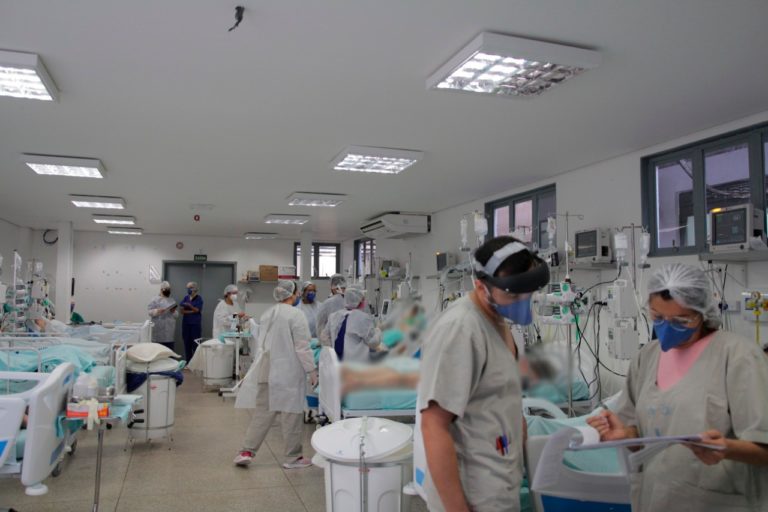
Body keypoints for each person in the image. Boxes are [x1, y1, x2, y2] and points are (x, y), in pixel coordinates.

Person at [586, 263, 768, 511]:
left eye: (682, 320)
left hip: (717, 501)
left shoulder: (739, 356)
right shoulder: (647, 357)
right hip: (656, 499)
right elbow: (641, 434)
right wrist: (625, 435)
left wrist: (727, 449)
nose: (667, 327)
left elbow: (763, 448)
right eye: (658, 318)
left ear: (702, 313)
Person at [418, 236, 549, 512]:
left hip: (499, 487)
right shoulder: (461, 329)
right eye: (512, 294)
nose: (522, 301)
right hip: (472, 495)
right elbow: (433, 425)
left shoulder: (501, 322)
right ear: (481, 286)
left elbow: (505, 404)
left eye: (526, 292)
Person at [233, 280, 317, 469]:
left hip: (267, 369)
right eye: (296, 293)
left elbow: (261, 337)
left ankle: (246, 451)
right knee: (291, 414)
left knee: (263, 413)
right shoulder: (296, 315)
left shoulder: (268, 313)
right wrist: (312, 370)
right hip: (287, 371)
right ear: (293, 294)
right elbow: (302, 347)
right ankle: (293, 458)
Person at [323, 286, 382, 363]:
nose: (364, 301)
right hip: (355, 365)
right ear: (359, 300)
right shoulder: (363, 318)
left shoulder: (334, 316)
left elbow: (324, 337)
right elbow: (373, 342)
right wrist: (378, 330)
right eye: (363, 299)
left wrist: (334, 348)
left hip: (337, 363)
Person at [148, 281, 179, 351]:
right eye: (166, 289)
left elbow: (176, 315)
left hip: (169, 331)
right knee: (157, 351)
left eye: (168, 290)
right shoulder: (155, 300)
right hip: (158, 330)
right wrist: (157, 311)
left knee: (169, 351)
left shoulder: (171, 300)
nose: (167, 291)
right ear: (161, 290)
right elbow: (149, 312)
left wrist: (173, 311)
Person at [316, 274, 347, 345]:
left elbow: (320, 326)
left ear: (332, 287)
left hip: (331, 343)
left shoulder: (327, 303)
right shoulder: (352, 301)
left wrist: (322, 342)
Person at [180, 281, 204, 360]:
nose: (188, 289)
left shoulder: (199, 298)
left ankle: (196, 363)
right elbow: (182, 311)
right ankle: (188, 363)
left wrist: (189, 306)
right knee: (187, 344)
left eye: (190, 288)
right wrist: (192, 311)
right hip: (186, 324)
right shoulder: (186, 298)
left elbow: (197, 310)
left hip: (195, 325)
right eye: (187, 288)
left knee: (196, 345)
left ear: (195, 288)